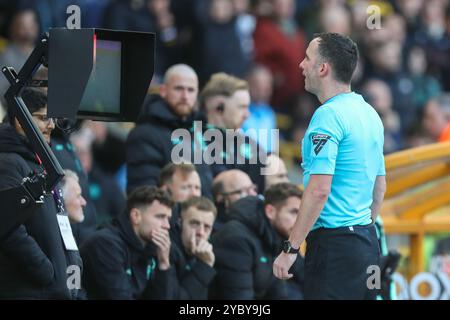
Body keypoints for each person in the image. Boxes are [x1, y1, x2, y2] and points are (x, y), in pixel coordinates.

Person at [273, 33, 386, 300]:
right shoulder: (370, 113)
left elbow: (319, 191)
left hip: (334, 248)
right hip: (367, 244)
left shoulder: (327, 116)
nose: (301, 65)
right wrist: (361, 230)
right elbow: (379, 186)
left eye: (307, 58)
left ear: (323, 68)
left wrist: (290, 249)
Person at [0, 88, 82, 299]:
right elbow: (9, 228)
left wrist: (73, 267)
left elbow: (62, 223)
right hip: (30, 291)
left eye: (52, 119)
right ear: (20, 121)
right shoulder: (8, 162)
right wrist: (48, 272)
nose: (51, 125)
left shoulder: (43, 164)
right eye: (43, 118)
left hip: (56, 289)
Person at [126, 64, 213, 197]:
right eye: (179, 89)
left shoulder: (201, 132)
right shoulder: (144, 135)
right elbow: (145, 195)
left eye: (191, 90)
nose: (185, 96)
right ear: (163, 91)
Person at [80, 186, 177, 299]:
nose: (167, 225)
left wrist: (164, 263)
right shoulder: (106, 244)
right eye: (160, 217)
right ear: (136, 216)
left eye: (168, 219)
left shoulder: (153, 248)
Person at [210, 182, 304, 299]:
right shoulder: (237, 240)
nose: (300, 221)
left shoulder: (276, 237)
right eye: (294, 212)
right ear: (270, 211)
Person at [200, 72, 267, 192]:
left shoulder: (248, 144)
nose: (247, 114)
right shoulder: (191, 141)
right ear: (219, 107)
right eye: (242, 107)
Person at [170, 196, 217, 299]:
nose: (201, 232)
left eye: (207, 227)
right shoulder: (168, 251)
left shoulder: (205, 254)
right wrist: (204, 266)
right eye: (195, 224)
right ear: (180, 223)